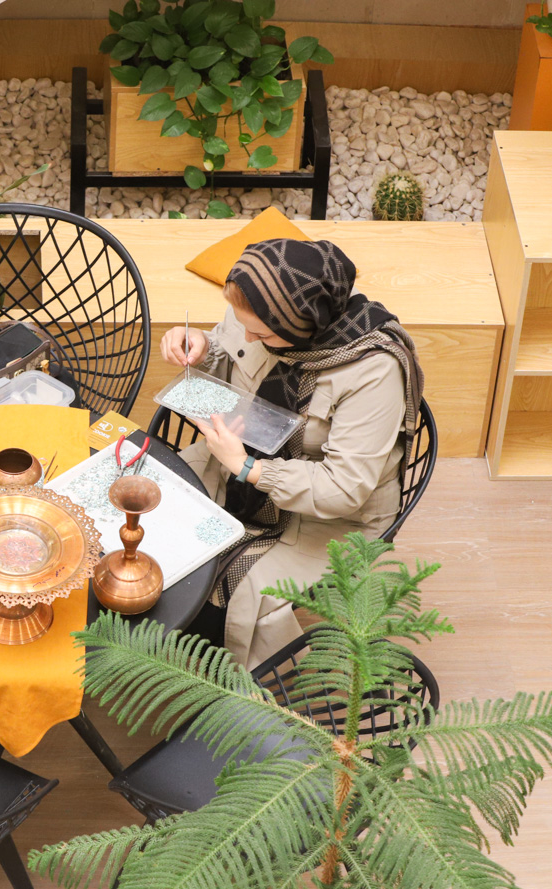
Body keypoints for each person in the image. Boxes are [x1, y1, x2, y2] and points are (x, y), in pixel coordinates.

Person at [160, 238, 424, 669]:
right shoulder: (267, 308)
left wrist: (247, 468)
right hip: (237, 462)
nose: (250, 338)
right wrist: (203, 349)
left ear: (304, 326)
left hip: (325, 517)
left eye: (261, 334)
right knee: (154, 523)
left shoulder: (374, 371)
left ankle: (213, 675)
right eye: (243, 325)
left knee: (220, 598)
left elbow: (344, 489)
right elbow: (233, 360)